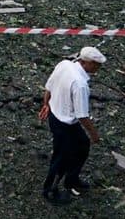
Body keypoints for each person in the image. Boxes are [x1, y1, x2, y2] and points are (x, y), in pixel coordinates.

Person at [39, 45, 105, 204]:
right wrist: (94, 134)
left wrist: (46, 104)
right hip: (65, 124)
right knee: (61, 158)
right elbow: (82, 115)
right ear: (85, 62)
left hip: (55, 114)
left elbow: (49, 86)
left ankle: (72, 179)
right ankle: (50, 190)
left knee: (82, 146)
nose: (98, 67)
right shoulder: (80, 84)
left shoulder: (64, 65)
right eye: (95, 64)